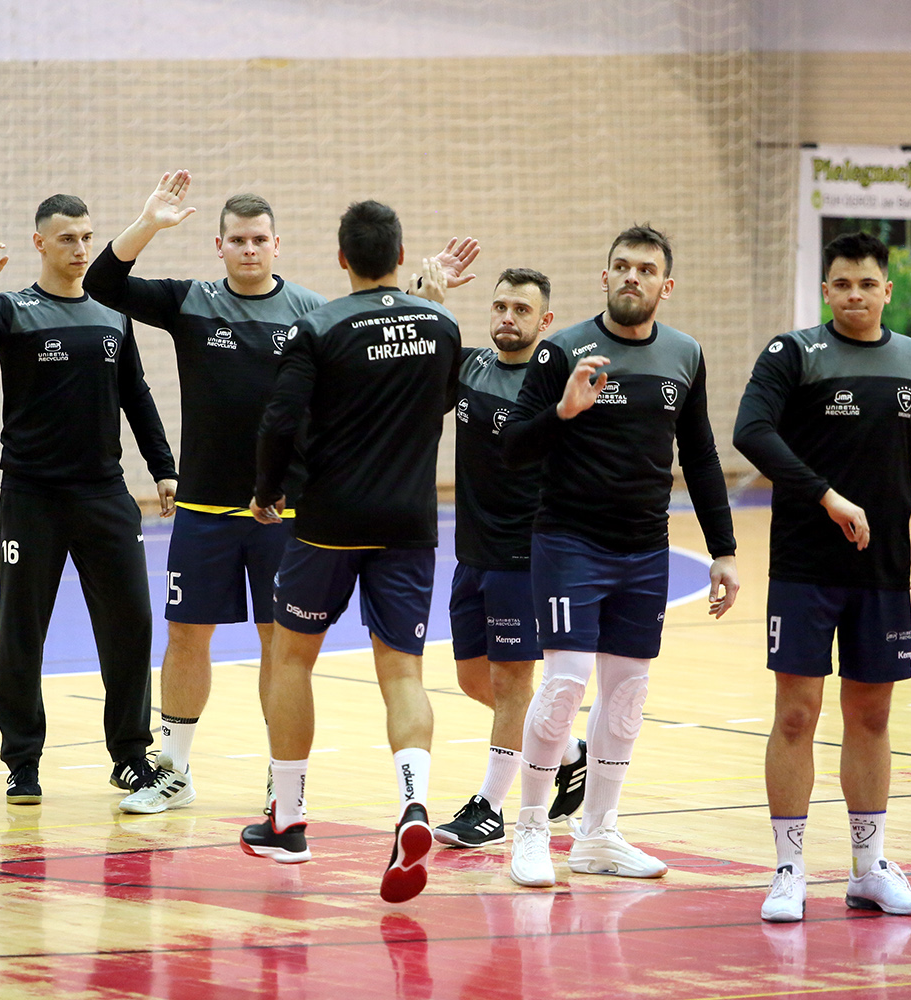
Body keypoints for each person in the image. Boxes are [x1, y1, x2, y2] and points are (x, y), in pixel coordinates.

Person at [500, 224, 739, 889]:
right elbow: (513, 448)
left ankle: (598, 834)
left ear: (666, 285)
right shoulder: (562, 352)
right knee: (564, 685)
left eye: (646, 269)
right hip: (569, 542)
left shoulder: (685, 355)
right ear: (605, 277)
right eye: (623, 266)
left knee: (628, 694)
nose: (633, 276)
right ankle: (530, 829)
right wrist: (564, 411)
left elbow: (701, 456)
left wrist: (723, 549)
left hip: (645, 548)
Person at [733, 231, 911, 922]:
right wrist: (826, 496)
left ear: (886, 290)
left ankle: (868, 869)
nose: (854, 295)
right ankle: (788, 869)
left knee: (872, 715)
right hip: (803, 568)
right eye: (842, 284)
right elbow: (751, 431)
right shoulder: (793, 353)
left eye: (867, 284)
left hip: (883, 572)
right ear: (826, 290)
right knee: (796, 713)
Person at [238, 200, 462, 906]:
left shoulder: (318, 327)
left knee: (291, 659)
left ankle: (288, 820)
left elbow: (280, 419)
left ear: (342, 259)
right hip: (409, 522)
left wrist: (267, 491)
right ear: (400, 255)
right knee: (403, 673)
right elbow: (442, 400)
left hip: (329, 523)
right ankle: (414, 804)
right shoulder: (443, 327)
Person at [81, 171, 325, 811]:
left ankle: (284, 781)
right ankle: (177, 771)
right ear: (219, 246)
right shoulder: (191, 301)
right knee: (186, 635)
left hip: (283, 513)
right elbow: (103, 283)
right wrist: (147, 224)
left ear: (277, 245)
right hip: (203, 509)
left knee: (280, 644)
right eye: (237, 240)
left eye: (259, 239)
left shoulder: (310, 312)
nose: (249, 249)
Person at [0, 194, 178, 807]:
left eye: (87, 237)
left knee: (131, 627)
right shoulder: (12, 310)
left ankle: (131, 758)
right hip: (32, 498)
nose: (80, 249)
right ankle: (22, 762)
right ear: (40, 243)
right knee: (23, 631)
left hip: (105, 496)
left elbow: (136, 394)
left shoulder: (111, 313)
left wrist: (164, 468)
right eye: (67, 238)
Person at [433, 267, 588, 848]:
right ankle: (569, 749)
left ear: (545, 321)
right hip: (471, 552)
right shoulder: (470, 367)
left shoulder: (554, 385)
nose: (507, 317)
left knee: (512, 681)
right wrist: (429, 302)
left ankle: (491, 808)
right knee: (475, 679)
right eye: (500, 306)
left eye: (521, 310)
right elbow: (414, 367)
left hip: (526, 554)